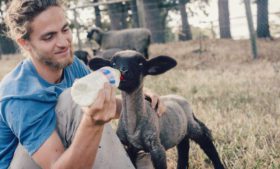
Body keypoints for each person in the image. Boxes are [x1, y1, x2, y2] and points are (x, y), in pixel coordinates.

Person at [0, 0, 163, 168]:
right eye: (49, 36)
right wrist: (92, 122)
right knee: (73, 98)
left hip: (64, 155)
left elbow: (105, 104)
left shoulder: (70, 64)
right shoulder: (19, 94)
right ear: (25, 43)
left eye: (65, 29)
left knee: (84, 96)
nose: (64, 43)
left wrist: (137, 97)